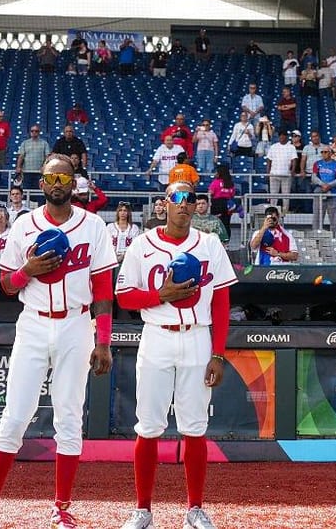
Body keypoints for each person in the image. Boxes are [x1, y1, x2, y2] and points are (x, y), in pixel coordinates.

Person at [0, 155, 117, 529]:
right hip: (33, 323)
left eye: (65, 176)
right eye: (51, 176)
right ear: (42, 183)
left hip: (76, 325)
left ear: (74, 183)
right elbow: (4, 284)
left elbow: (102, 289)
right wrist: (27, 271)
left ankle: (62, 507)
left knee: (68, 415)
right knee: (15, 414)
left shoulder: (94, 225)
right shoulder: (24, 225)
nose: (58, 182)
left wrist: (103, 340)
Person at [115, 180, 234, 529]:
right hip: (157, 336)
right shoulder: (142, 244)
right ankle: (143, 510)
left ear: (197, 205)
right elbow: (124, 297)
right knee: (149, 426)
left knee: (195, 427)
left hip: (197, 337)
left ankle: (194, 509)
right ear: (164, 203)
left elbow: (224, 302)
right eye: (177, 198)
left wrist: (220, 353)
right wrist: (160, 294)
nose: (183, 204)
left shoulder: (210, 244)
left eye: (190, 199)